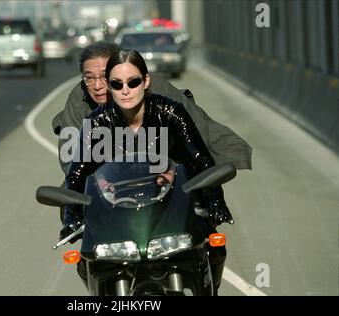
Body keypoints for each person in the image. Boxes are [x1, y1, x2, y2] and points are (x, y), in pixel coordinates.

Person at [61, 49, 234, 295]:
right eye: (116, 83)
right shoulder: (97, 123)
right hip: (120, 208)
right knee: (87, 258)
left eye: (132, 82)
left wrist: (215, 201)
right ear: (109, 87)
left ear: (145, 81)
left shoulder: (171, 112)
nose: (125, 89)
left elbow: (200, 160)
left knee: (214, 246)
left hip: (174, 201)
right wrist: (72, 218)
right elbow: (76, 175)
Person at [52, 42, 252, 176]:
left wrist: (177, 171)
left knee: (203, 198)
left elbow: (195, 132)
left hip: (169, 163)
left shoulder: (158, 89)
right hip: (109, 175)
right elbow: (70, 157)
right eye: (89, 78)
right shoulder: (79, 98)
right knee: (71, 202)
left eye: (105, 77)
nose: (97, 86)